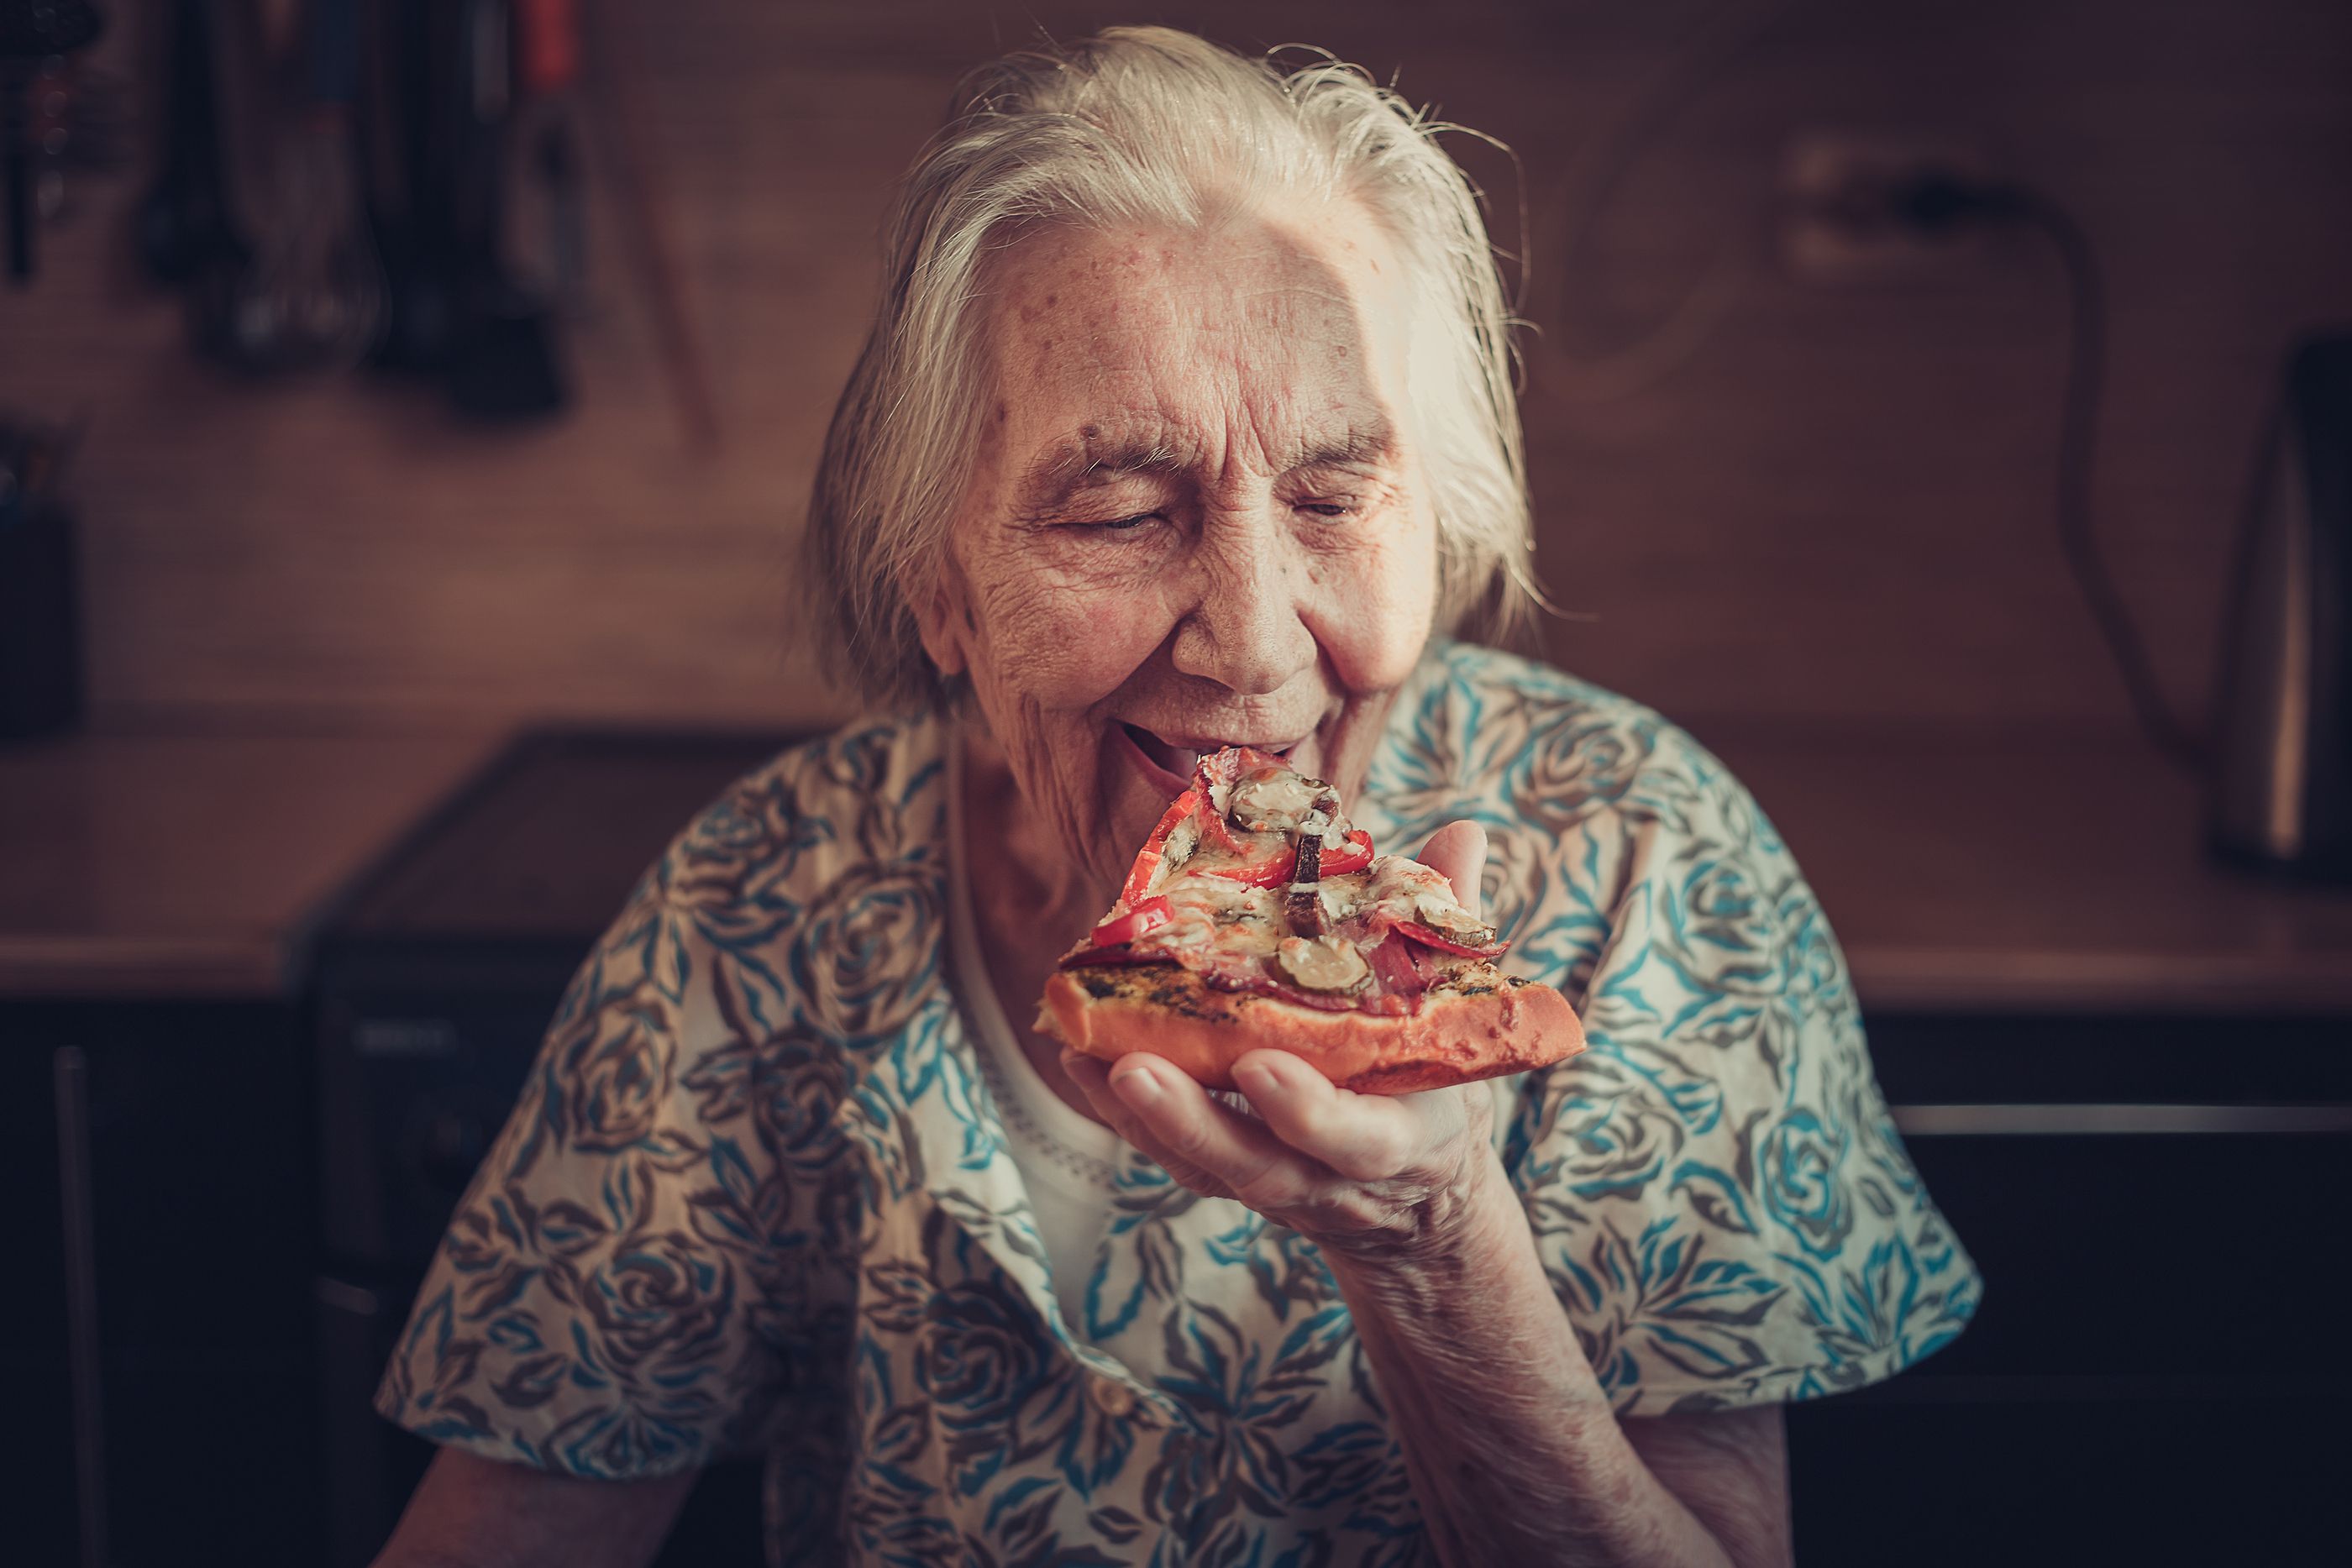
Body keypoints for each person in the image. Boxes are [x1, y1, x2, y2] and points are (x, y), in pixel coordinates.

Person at [371, 27, 1978, 1567]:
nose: (1256, 642)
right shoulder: (763, 905)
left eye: (1340, 497)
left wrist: (1433, 1234)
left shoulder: (1643, 867)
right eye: (1124, 512)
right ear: (941, 581)